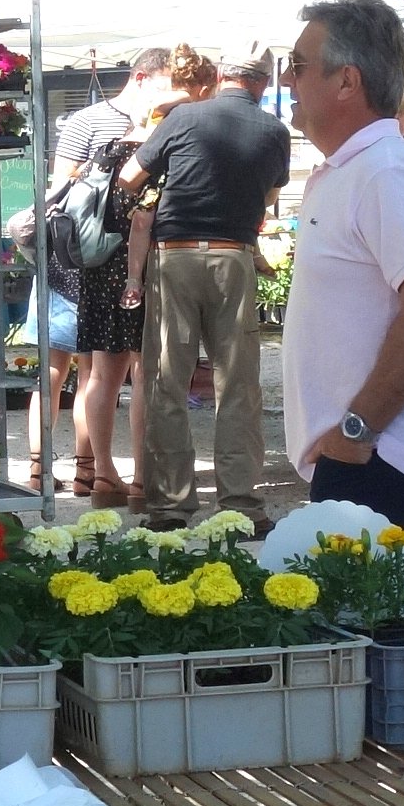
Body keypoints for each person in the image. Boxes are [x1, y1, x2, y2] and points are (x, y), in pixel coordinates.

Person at [246, 0, 404, 806]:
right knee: (391, 671)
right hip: (369, 456)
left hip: (381, 459)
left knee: (337, 674)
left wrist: (356, 424)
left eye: (299, 67)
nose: (287, 84)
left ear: (347, 79)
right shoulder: (354, 170)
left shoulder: (387, 171)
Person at [125, 44, 295, 522]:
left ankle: (170, 505)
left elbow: (130, 177)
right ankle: (240, 505)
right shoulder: (275, 131)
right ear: (262, 83)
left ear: (221, 75)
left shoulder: (183, 117)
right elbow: (269, 195)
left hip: (174, 256)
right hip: (233, 257)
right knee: (237, 385)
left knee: (167, 382)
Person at [52, 49, 172, 499]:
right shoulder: (154, 153)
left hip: (99, 266)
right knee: (143, 373)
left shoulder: (105, 149)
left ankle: (102, 473)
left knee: (101, 374)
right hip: (140, 267)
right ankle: (141, 478)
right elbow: (143, 219)